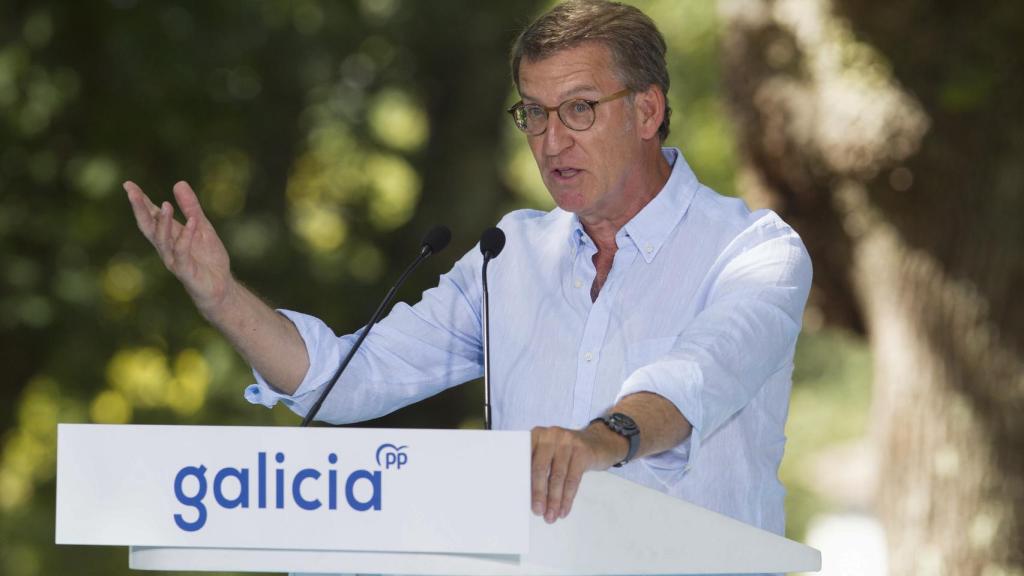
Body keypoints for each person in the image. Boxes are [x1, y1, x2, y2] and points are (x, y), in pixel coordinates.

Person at [125, 0, 811, 536]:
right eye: (534, 114)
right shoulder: (510, 256)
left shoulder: (753, 251)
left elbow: (699, 376)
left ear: (647, 110)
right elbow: (350, 378)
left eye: (578, 109)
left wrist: (599, 442)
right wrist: (221, 299)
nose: (551, 141)